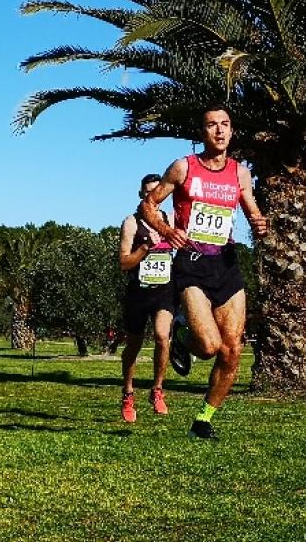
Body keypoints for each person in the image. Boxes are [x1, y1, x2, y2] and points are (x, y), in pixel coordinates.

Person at [140, 104, 268, 439]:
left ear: (232, 130)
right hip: (191, 263)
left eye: (225, 124)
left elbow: (250, 206)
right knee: (210, 347)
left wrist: (258, 222)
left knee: (233, 350)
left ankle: (203, 420)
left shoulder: (240, 173)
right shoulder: (184, 167)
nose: (220, 131)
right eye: (212, 125)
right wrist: (167, 232)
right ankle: (181, 335)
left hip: (225, 263)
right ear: (203, 132)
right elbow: (148, 205)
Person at [116, 172, 176, 423]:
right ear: (142, 196)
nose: (153, 197)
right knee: (134, 344)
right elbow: (123, 263)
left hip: (165, 290)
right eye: (148, 193)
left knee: (163, 337)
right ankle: (128, 393)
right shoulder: (131, 223)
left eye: (157, 193)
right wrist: (144, 248)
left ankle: (157, 390)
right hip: (138, 293)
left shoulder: (170, 220)